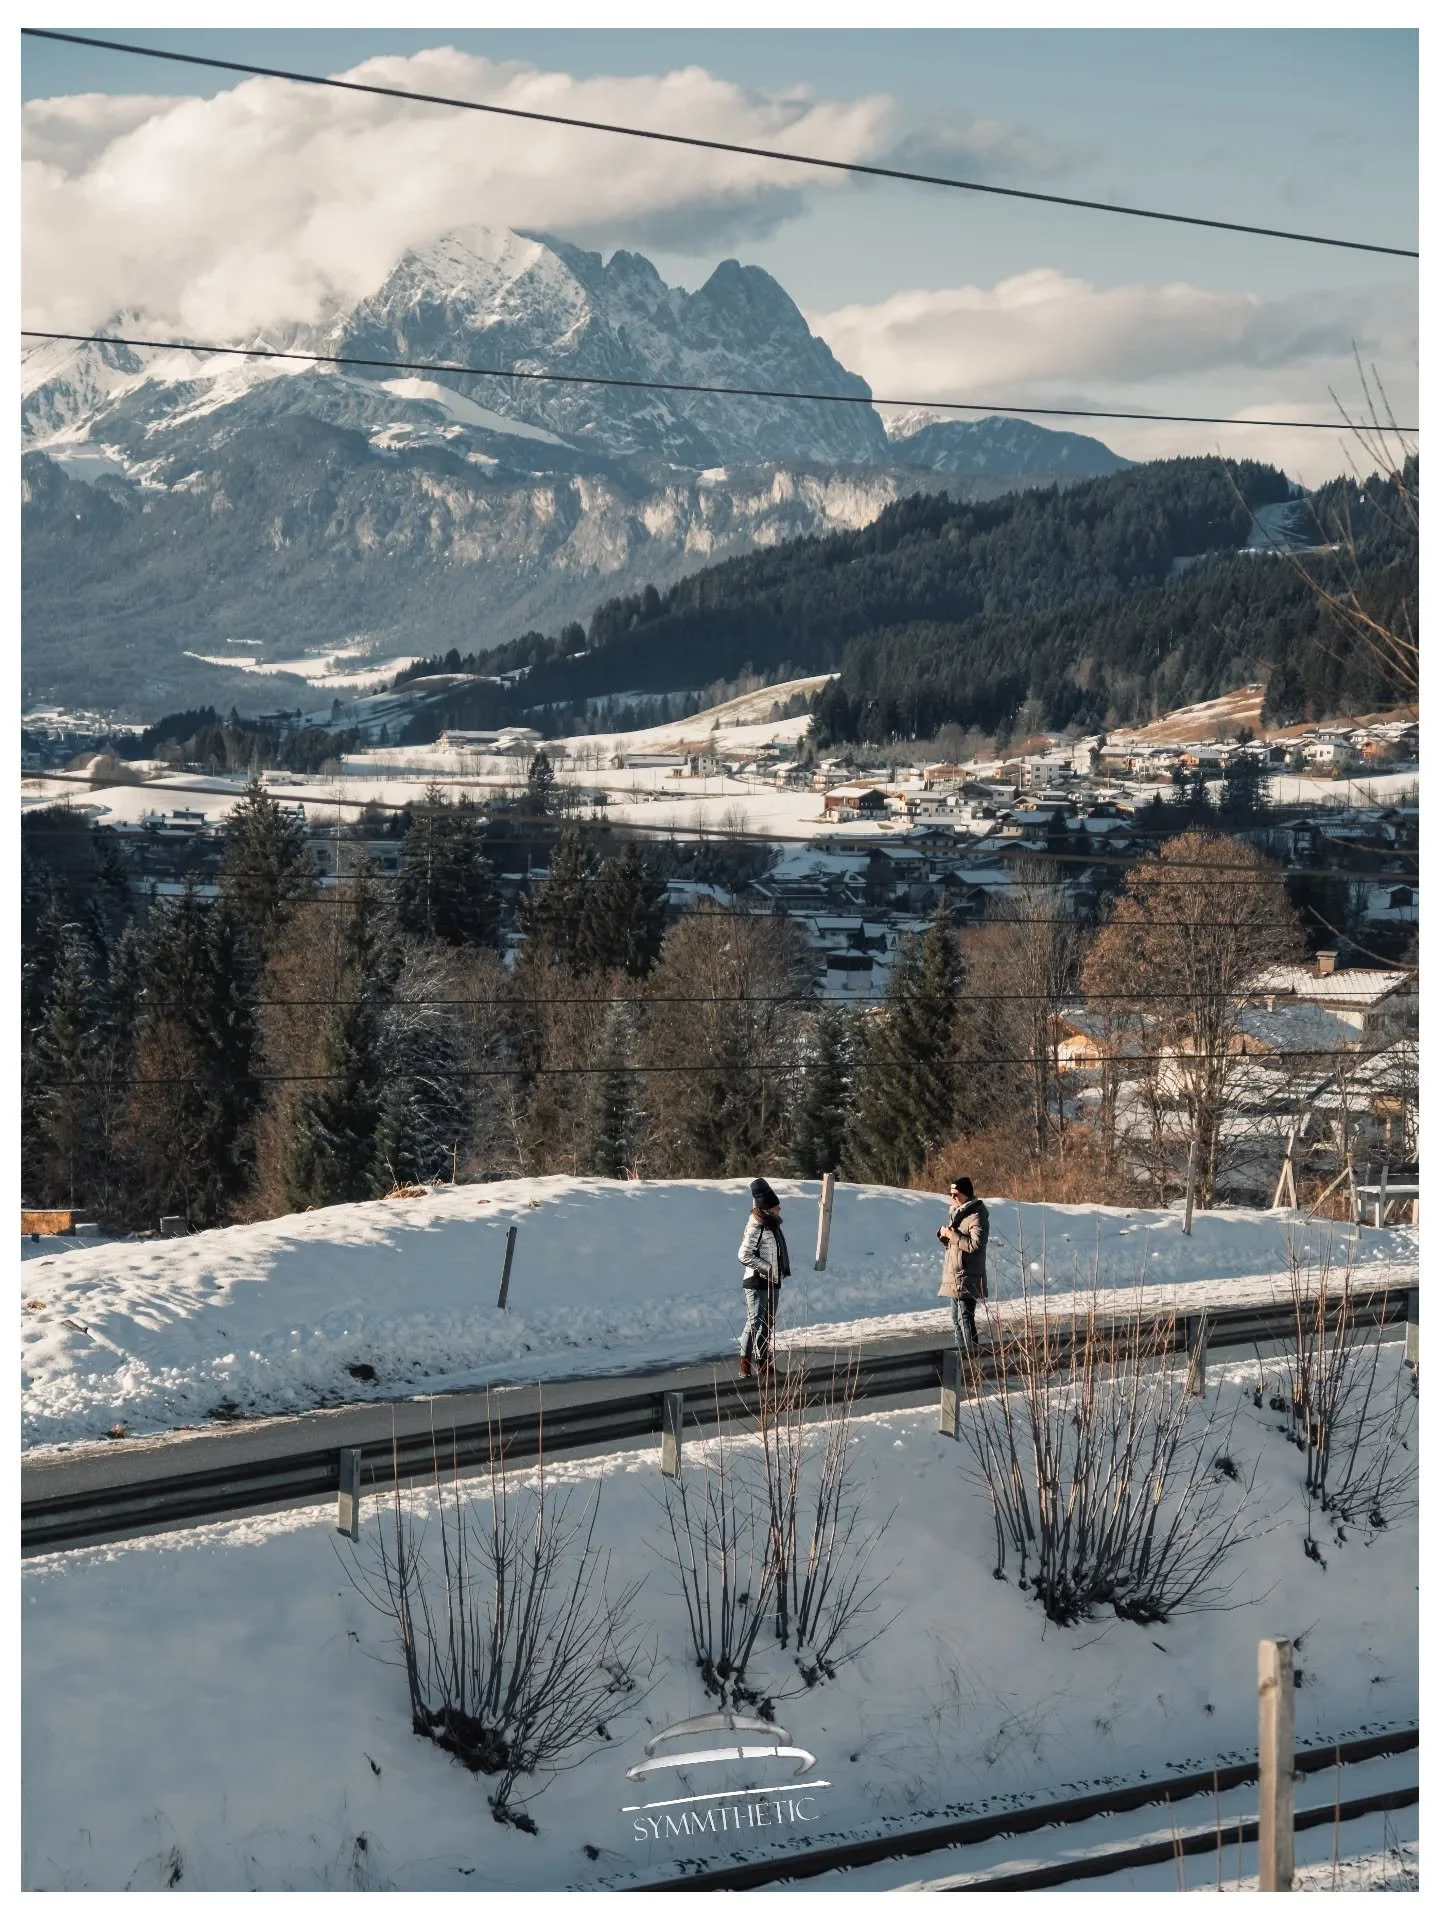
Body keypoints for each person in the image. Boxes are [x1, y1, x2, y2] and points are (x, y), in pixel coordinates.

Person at [738, 1177, 790, 1377]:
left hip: (772, 1280)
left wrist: (775, 1272)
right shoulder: (756, 1226)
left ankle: (763, 1365)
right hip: (757, 1281)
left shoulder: (771, 1224)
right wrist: (766, 1268)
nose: (780, 1209)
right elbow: (744, 1254)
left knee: (767, 1323)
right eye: (777, 1206)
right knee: (754, 1323)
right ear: (767, 1208)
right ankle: (744, 1366)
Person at [937, 1176, 989, 1356]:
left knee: (965, 1317)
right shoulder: (956, 1212)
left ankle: (971, 1359)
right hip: (955, 1273)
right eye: (950, 1194)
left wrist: (953, 1236)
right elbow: (956, 1244)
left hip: (968, 1273)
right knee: (956, 1319)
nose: (952, 1198)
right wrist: (945, 1236)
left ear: (965, 1194)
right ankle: (962, 1356)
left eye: (956, 1194)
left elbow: (976, 1245)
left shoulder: (976, 1214)